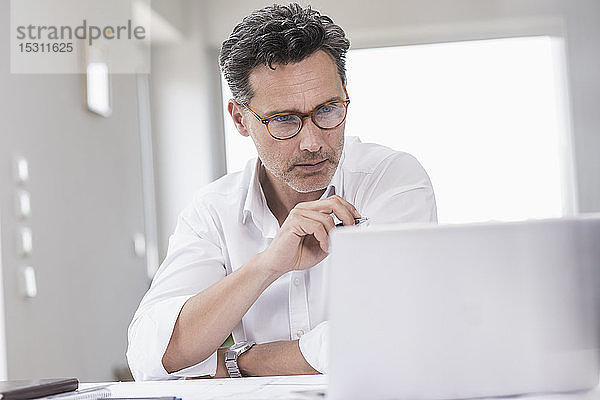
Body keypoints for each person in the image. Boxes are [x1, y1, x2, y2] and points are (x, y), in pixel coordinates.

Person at [127, 3, 437, 381]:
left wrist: (237, 362)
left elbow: (389, 335)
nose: (311, 142)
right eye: (285, 120)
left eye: (327, 110)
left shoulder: (391, 179)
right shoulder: (213, 209)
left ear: (345, 94)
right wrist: (267, 264)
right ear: (240, 119)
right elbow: (148, 355)